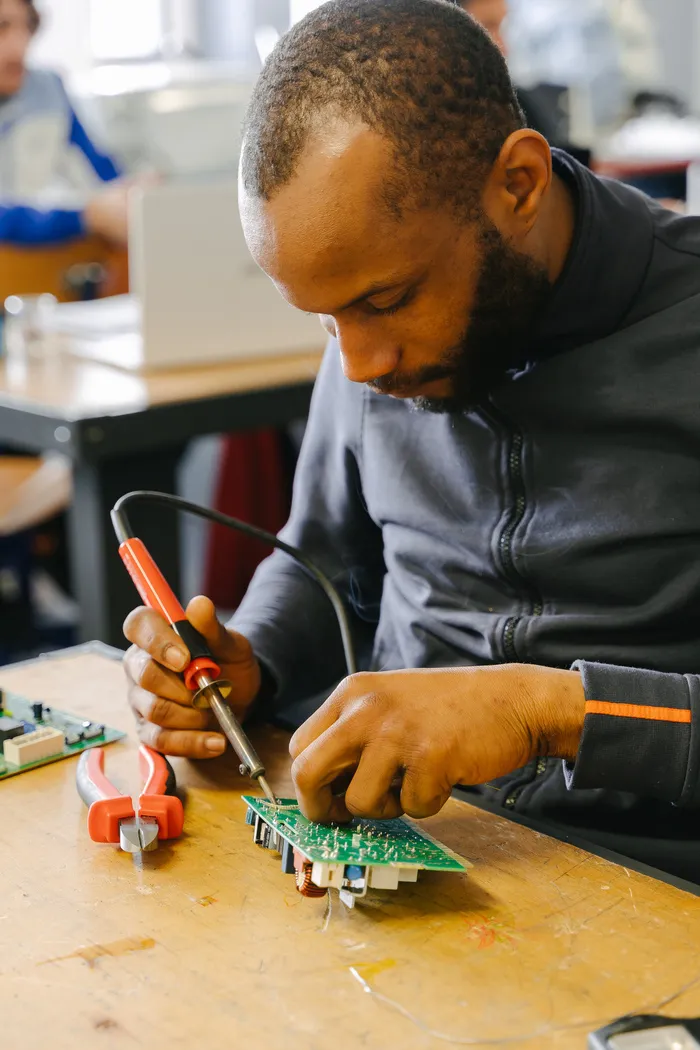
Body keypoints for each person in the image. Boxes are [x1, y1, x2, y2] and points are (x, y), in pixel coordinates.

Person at [124, 0, 700, 881]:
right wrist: (252, 663)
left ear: (518, 184)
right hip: (411, 865)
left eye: (386, 303)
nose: (358, 366)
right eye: (326, 319)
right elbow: (321, 551)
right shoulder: (372, 329)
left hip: (651, 896)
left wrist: (554, 712)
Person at [0, 0, 130, 246]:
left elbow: (99, 170)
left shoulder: (47, 88)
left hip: (49, 267)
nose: (19, 45)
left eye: (26, 26)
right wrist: (81, 217)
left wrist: (130, 191)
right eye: (2, 27)